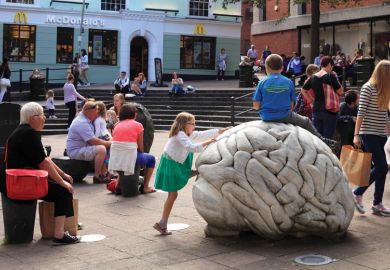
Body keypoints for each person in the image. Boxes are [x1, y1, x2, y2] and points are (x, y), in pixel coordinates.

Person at [4, 102, 80, 245]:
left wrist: (63, 175)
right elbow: (43, 163)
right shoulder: (29, 134)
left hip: (26, 178)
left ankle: (69, 222)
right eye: (42, 115)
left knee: (64, 186)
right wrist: (61, 181)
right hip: (24, 182)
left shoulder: (25, 131)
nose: (44, 118)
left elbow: (45, 159)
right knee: (63, 191)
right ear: (33, 118)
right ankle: (59, 234)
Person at [153, 112, 230, 235]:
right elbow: (191, 147)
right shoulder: (180, 134)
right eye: (192, 123)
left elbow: (200, 134)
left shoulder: (186, 133)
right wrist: (208, 142)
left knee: (173, 194)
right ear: (184, 124)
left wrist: (220, 131)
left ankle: (163, 222)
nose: (194, 125)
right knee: (172, 195)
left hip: (174, 161)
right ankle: (162, 223)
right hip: (171, 163)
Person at [253, 54, 337, 149]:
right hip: (285, 116)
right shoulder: (288, 82)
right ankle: (322, 140)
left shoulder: (261, 83)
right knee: (306, 121)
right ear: (282, 68)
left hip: (266, 116)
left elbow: (256, 106)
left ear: (266, 67)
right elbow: (292, 106)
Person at [352, 60, 390, 217]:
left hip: (381, 134)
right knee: (381, 167)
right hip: (368, 133)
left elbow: (385, 116)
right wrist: (356, 134)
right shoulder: (368, 88)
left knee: (382, 170)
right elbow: (360, 113)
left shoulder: (385, 90)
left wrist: (389, 134)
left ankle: (377, 204)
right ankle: (357, 193)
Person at [109, 103, 156, 193]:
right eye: (135, 112)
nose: (137, 114)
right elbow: (141, 147)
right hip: (130, 157)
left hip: (116, 158)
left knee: (124, 156)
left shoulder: (117, 125)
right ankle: (146, 187)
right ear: (133, 114)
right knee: (151, 159)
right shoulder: (138, 125)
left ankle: (118, 185)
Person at [66, 101, 112, 184]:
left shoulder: (85, 119)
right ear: (88, 111)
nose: (97, 114)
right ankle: (97, 176)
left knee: (103, 147)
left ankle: (103, 174)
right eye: (95, 112)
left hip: (81, 147)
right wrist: (109, 143)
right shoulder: (81, 122)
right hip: (75, 151)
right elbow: (93, 141)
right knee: (101, 149)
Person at [302, 56, 344, 140]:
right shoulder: (330, 76)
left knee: (318, 139)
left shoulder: (313, 77)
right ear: (329, 65)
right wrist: (336, 77)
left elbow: (303, 90)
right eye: (332, 67)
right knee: (328, 139)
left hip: (316, 110)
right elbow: (341, 92)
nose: (332, 69)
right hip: (329, 111)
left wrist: (311, 101)